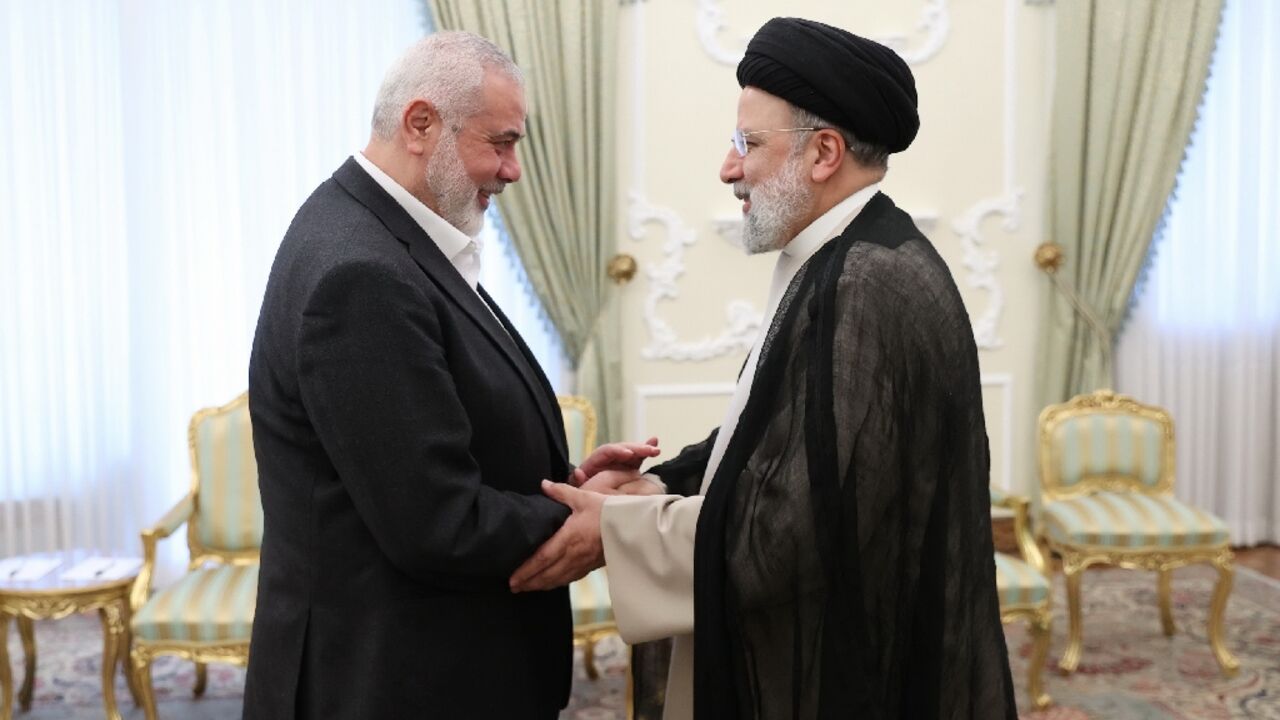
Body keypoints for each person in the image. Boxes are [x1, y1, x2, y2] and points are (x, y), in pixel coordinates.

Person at [510, 17, 1017, 720]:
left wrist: (618, 531)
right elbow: (777, 440)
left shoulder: (869, 282)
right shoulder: (844, 256)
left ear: (824, 153)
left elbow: (792, 530)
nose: (728, 167)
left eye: (748, 143)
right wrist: (655, 484)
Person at [244, 31, 656, 719]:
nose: (514, 170)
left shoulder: (385, 232)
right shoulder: (362, 274)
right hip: (392, 679)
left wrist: (569, 484)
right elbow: (437, 522)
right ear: (420, 124)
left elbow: (432, 443)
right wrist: (599, 521)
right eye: (501, 142)